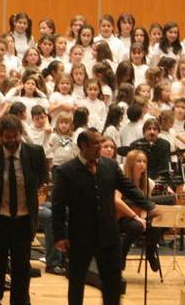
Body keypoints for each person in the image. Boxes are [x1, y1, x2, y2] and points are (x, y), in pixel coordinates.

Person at [52, 128, 156, 305]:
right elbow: (58, 206)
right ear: (83, 146)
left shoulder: (110, 165)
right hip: (80, 236)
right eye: (96, 144)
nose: (100, 147)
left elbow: (128, 189)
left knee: (112, 282)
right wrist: (60, 235)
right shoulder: (66, 171)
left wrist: (150, 205)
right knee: (77, 282)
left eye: (101, 142)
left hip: (109, 234)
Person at [0, 115, 46, 305]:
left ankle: (20, 302)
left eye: (15, 136)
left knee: (21, 266)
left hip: (24, 220)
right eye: (7, 137)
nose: (12, 141)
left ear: (20, 134)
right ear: (0, 136)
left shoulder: (35, 152)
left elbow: (40, 179)